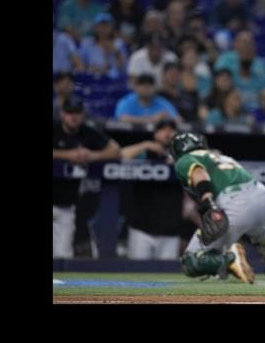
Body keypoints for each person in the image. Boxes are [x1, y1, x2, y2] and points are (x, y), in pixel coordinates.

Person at [170, 132, 265, 283]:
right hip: (261, 194)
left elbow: (199, 173)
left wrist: (209, 203)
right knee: (259, 233)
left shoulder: (184, 159)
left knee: (191, 260)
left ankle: (231, 259)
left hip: (234, 201)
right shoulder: (218, 155)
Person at [52, 97, 121, 258]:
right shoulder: (54, 129)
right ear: (62, 114)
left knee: (63, 255)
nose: (73, 116)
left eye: (77, 112)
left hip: (66, 207)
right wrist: (67, 155)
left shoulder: (87, 132)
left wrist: (91, 155)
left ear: (82, 114)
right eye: (69, 112)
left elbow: (115, 150)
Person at [119, 119, 182, 260]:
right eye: (163, 129)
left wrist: (180, 158)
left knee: (167, 276)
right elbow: (120, 155)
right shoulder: (144, 154)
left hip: (170, 232)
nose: (167, 133)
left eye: (171, 130)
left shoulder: (183, 156)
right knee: (136, 274)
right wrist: (145, 145)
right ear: (155, 133)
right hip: (142, 230)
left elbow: (211, 156)